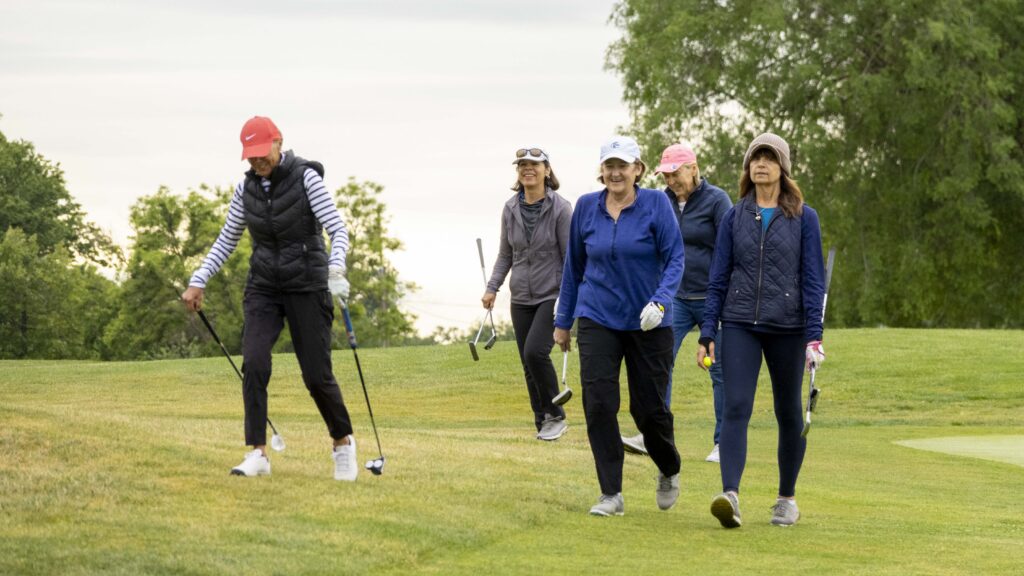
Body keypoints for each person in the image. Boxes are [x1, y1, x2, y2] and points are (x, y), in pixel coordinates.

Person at [181, 116, 360, 481]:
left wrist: (336, 267)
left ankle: (342, 443)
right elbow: (227, 239)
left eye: (262, 153)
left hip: (308, 285)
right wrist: (198, 280)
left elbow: (337, 229)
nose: (257, 162)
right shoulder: (244, 189)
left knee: (315, 373)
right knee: (256, 362)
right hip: (264, 285)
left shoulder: (307, 178)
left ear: (278, 143)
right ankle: (258, 453)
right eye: (251, 156)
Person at [697, 132, 826, 528]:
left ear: (782, 168)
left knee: (789, 413)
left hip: (788, 328)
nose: (761, 164)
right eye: (755, 158)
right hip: (739, 323)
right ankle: (730, 496)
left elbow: (813, 280)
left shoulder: (804, 217)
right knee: (736, 406)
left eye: (769, 158)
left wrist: (814, 335)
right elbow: (718, 276)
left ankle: (786, 499)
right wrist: (707, 331)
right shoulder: (735, 216)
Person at [554, 136, 685, 517]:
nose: (615, 172)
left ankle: (669, 466)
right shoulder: (585, 208)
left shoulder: (657, 204)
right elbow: (574, 268)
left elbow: (675, 257)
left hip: (650, 322)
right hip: (597, 316)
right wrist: (564, 320)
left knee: (648, 409)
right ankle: (611, 493)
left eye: (622, 165)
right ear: (602, 171)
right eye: (609, 166)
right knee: (598, 404)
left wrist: (661, 301)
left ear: (637, 169)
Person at [621, 142, 733, 463]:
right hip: (673, 298)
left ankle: (723, 442)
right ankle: (652, 436)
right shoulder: (660, 201)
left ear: (693, 168)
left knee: (720, 370)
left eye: (675, 174)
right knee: (658, 366)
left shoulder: (717, 200)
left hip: (713, 297)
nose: (671, 181)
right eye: (666, 175)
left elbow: (729, 248)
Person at [482, 147, 572, 441]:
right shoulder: (510, 208)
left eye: (534, 164)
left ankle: (556, 414)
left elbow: (570, 256)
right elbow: (505, 254)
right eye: (522, 165)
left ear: (547, 170)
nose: (527, 169)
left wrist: (570, 298)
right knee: (526, 361)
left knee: (536, 352)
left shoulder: (561, 208)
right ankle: (542, 421)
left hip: (552, 294)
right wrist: (492, 287)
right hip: (520, 295)